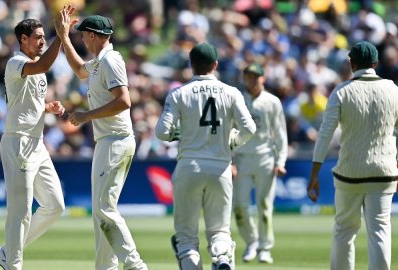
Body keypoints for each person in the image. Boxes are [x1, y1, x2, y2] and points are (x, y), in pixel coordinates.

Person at [54, 9, 148, 270]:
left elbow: (124, 101)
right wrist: (64, 38)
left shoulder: (110, 61)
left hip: (116, 140)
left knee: (104, 209)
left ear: (95, 36)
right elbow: (79, 71)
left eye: (84, 35)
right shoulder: (98, 62)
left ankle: (134, 264)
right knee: (100, 213)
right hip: (107, 141)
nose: (83, 39)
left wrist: (86, 116)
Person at [307, 41, 398, 270]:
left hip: (349, 174)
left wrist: (314, 173)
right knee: (380, 231)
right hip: (384, 173)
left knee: (344, 231)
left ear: (352, 63)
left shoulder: (341, 91)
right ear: (375, 63)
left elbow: (324, 134)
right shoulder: (394, 90)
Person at [155, 42, 256, 270]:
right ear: (216, 65)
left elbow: (161, 131)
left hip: (189, 166)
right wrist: (232, 141)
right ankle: (221, 259)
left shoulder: (178, 93)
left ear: (191, 65)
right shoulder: (232, 93)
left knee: (186, 237)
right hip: (220, 168)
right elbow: (249, 128)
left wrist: (177, 133)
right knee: (219, 231)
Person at [0, 7, 75, 269]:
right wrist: (60, 37)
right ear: (23, 39)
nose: (41, 41)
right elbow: (43, 63)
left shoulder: (38, 70)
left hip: (36, 144)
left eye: (43, 36)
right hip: (18, 142)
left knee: (55, 205)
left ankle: (7, 251)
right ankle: (13, 264)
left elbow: (25, 102)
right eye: (37, 37)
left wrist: (47, 108)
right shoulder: (16, 62)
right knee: (21, 210)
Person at [232, 63, 287, 264]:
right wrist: (230, 160)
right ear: (244, 78)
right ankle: (251, 242)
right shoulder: (236, 99)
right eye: (249, 76)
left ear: (263, 78)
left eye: (256, 76)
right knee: (240, 207)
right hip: (242, 159)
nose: (252, 80)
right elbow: (229, 132)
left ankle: (265, 248)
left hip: (265, 158)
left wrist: (280, 160)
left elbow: (280, 134)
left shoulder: (272, 102)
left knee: (265, 206)